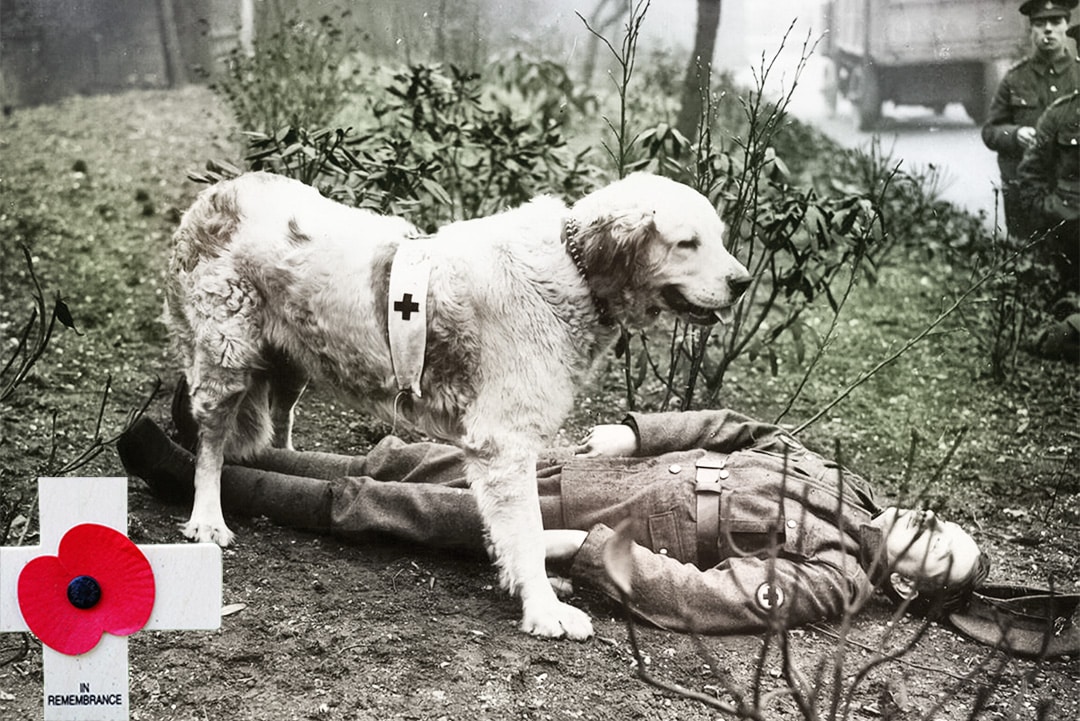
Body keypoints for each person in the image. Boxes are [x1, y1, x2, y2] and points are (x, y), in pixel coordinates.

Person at [117, 408, 989, 636]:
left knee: (377, 506)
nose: (921, 519)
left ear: (907, 584)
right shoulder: (853, 486)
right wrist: (640, 430)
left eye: (931, 545)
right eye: (938, 518)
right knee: (389, 461)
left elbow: (705, 596)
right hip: (595, 467)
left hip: (567, 518)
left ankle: (194, 480)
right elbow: (742, 431)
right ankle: (214, 456)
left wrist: (587, 555)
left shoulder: (835, 577)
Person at [982, 0, 1080, 240]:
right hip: (1023, 194)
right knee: (1027, 263)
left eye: (1055, 22)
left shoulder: (1078, 74)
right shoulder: (1015, 78)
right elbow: (991, 131)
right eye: (1039, 23)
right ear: (1030, 29)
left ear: (1067, 25)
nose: (1048, 29)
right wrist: (1015, 134)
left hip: (1070, 196)